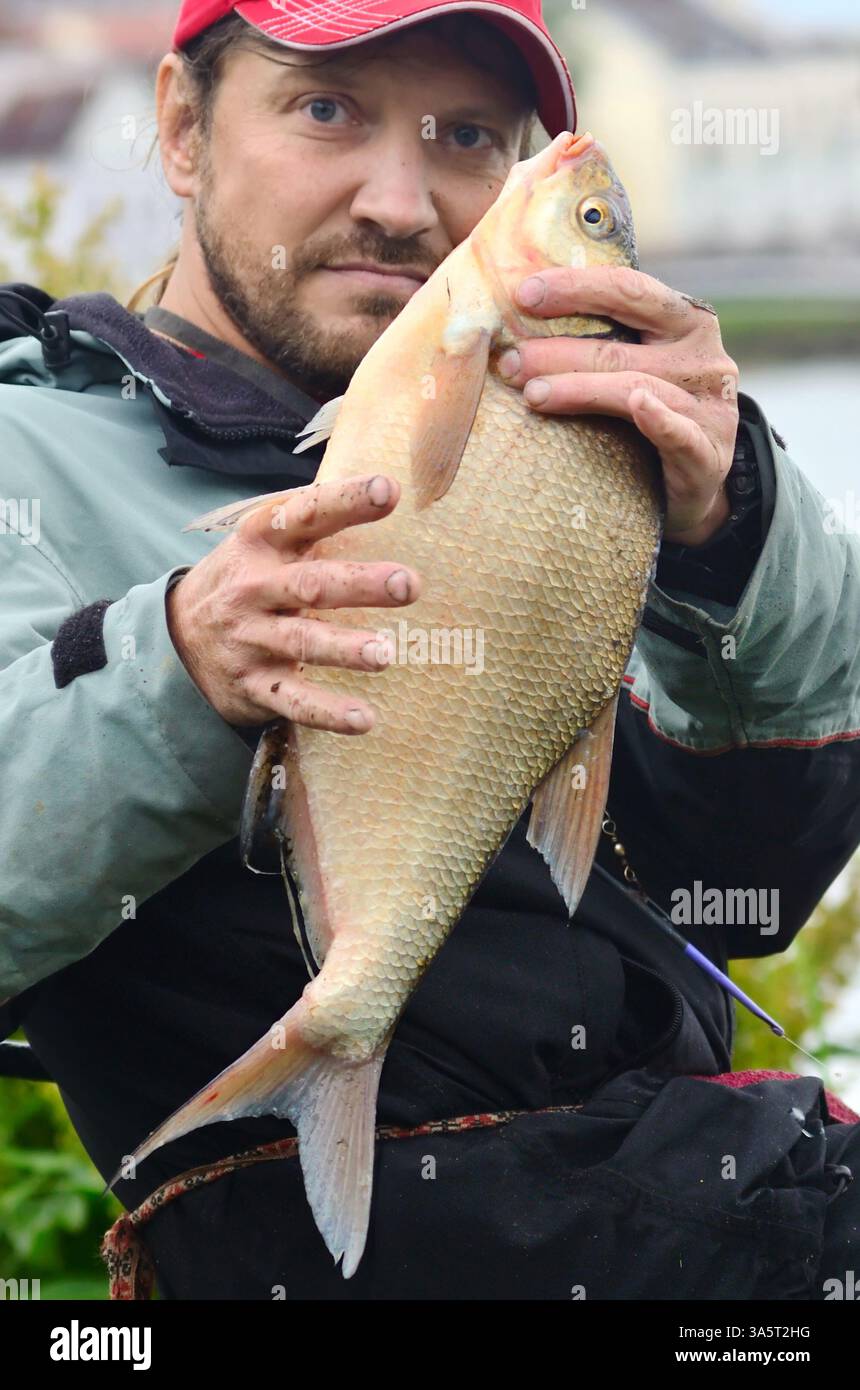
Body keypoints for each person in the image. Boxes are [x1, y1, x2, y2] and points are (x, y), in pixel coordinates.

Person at [1, 0, 858, 1300]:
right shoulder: (32, 450)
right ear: (180, 127)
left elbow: (746, 876)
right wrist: (179, 664)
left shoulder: (575, 438)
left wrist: (741, 529)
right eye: (327, 109)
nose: (402, 203)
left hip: (733, 1211)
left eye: (465, 135)